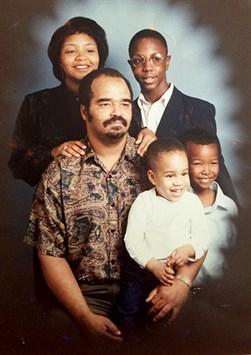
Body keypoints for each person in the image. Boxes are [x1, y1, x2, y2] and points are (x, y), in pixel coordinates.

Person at [24, 68, 206, 344]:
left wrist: (182, 283)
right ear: (85, 112)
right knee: (56, 335)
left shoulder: (155, 161)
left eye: (124, 102)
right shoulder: (60, 172)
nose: (117, 111)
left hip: (153, 286)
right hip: (86, 295)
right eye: (105, 103)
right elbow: (50, 253)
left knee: (192, 333)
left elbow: (198, 227)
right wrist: (84, 315)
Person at [128, 29, 238, 205]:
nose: (147, 67)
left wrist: (236, 217)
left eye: (156, 59)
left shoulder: (199, 110)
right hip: (139, 212)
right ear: (131, 65)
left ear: (167, 62)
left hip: (185, 212)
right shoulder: (125, 114)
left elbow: (212, 164)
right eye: (138, 61)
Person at [118, 138, 209, 328]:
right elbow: (133, 240)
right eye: (170, 176)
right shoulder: (144, 202)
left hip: (174, 273)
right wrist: (152, 265)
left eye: (184, 174)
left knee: (170, 319)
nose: (179, 183)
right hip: (142, 271)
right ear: (152, 177)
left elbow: (203, 237)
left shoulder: (192, 202)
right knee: (130, 313)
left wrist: (189, 249)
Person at [181, 128, 238, 286]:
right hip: (183, 293)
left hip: (217, 294)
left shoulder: (228, 207)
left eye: (213, 163)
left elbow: (234, 254)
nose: (207, 171)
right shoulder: (178, 204)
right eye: (198, 164)